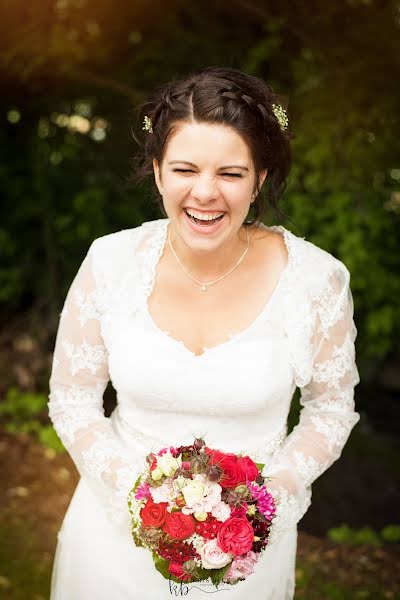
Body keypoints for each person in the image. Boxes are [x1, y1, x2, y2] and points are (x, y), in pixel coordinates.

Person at [48, 66, 360, 599]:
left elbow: (331, 409)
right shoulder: (110, 261)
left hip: (245, 552)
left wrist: (268, 502)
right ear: (158, 171)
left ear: (260, 179)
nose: (206, 193)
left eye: (232, 174)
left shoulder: (315, 280)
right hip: (110, 541)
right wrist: (137, 496)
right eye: (185, 169)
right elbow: (73, 398)